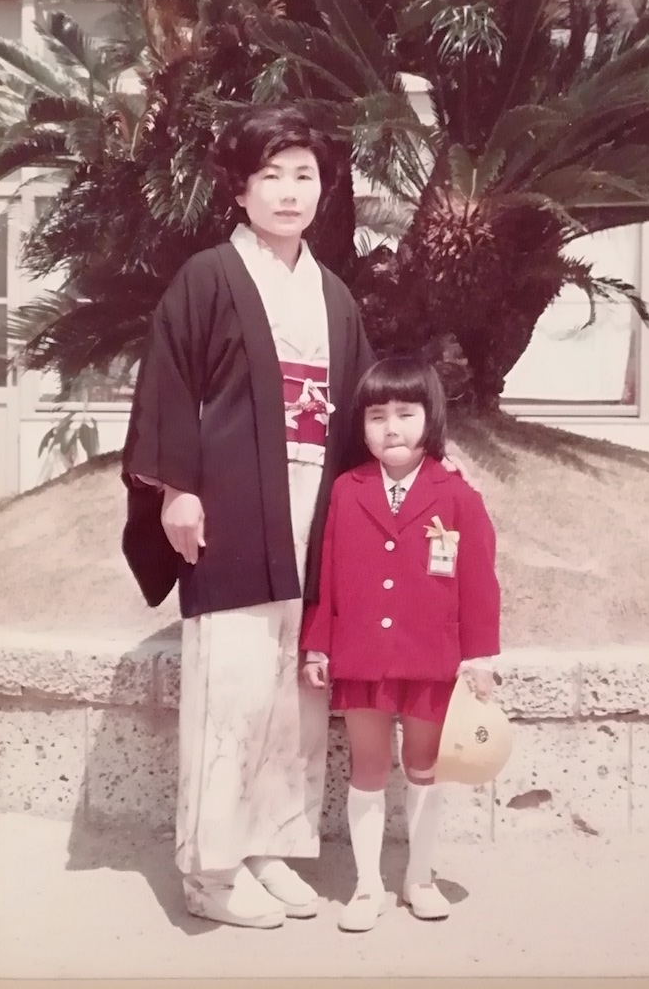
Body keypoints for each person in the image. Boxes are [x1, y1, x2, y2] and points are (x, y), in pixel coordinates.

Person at [121, 105, 472, 931]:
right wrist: (177, 487)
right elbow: (169, 386)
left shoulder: (334, 295)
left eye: (304, 174)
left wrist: (432, 458)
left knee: (300, 690)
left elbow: (363, 411)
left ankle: (271, 846)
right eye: (270, 175)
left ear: (324, 189)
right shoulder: (207, 277)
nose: (288, 191)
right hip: (234, 510)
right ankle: (209, 868)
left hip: (318, 514)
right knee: (235, 688)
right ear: (239, 190)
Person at [299, 357, 501, 933]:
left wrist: (479, 657)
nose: (392, 428)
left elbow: (480, 582)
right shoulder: (346, 489)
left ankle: (419, 877)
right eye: (378, 415)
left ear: (430, 418)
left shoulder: (456, 493)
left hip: (431, 662)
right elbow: (327, 575)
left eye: (407, 414)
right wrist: (318, 646)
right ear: (360, 425)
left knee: (422, 767)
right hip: (361, 658)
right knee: (367, 768)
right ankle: (367, 885)